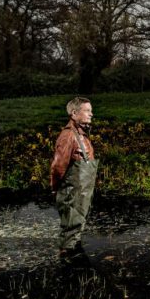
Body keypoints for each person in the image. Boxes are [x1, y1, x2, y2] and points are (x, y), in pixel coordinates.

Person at [50, 97, 99, 258]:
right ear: (74, 113)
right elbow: (58, 167)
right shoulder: (68, 136)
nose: (91, 114)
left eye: (91, 110)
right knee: (71, 227)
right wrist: (55, 188)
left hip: (81, 192)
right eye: (87, 111)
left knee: (77, 224)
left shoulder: (81, 134)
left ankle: (74, 256)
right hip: (72, 192)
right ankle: (67, 263)